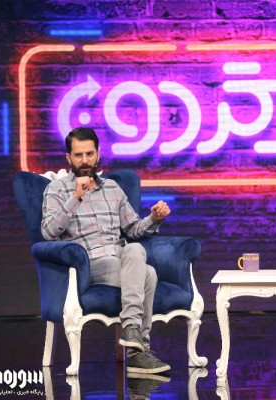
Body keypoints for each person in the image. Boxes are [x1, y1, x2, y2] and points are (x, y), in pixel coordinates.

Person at [41, 127, 172, 375]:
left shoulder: (112, 189)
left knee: (136, 251)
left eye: (89, 154)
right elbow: (48, 232)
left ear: (98, 155)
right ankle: (139, 351)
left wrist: (154, 218)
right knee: (149, 274)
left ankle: (133, 337)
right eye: (78, 155)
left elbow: (133, 229)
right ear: (69, 158)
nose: (85, 160)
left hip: (118, 256)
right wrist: (75, 197)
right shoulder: (56, 190)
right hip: (87, 263)